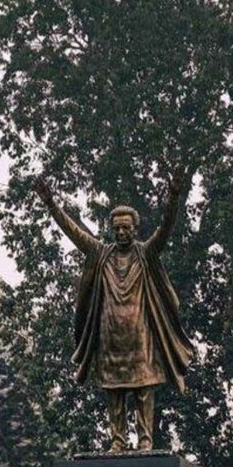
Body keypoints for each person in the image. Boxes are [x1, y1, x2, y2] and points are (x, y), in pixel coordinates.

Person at [34, 179, 195, 452]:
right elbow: (74, 232)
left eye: (126, 228)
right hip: (110, 337)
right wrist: (51, 204)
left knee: (144, 389)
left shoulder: (146, 253)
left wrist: (173, 197)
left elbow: (165, 229)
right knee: (114, 392)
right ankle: (118, 440)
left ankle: (145, 440)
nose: (121, 232)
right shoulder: (101, 253)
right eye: (117, 228)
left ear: (135, 229)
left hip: (140, 336)